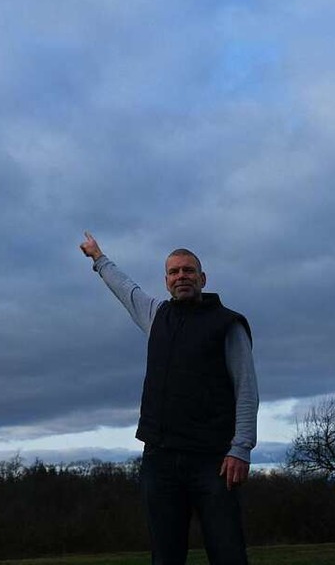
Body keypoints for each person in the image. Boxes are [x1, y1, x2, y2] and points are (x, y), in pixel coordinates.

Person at [79, 231, 258, 565]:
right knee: (165, 557)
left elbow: (247, 388)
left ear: (202, 278)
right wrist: (99, 259)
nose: (181, 277)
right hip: (159, 461)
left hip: (214, 462)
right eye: (174, 272)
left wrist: (241, 448)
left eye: (188, 271)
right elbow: (126, 289)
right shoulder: (156, 315)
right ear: (166, 281)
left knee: (228, 553)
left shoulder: (227, 324)